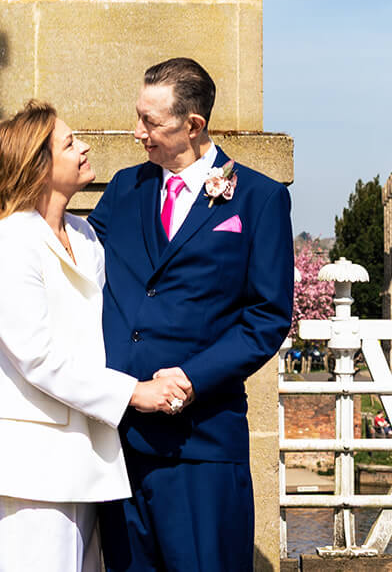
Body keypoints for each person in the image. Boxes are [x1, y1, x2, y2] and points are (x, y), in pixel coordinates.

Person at [0, 100, 192, 572]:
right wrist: (136, 393)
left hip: (82, 457)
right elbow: (39, 358)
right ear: (38, 166)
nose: (85, 147)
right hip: (26, 465)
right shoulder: (7, 243)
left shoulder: (86, 235)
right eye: (70, 143)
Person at [88, 57, 295, 570]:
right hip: (116, 441)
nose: (138, 132)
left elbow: (267, 317)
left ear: (193, 125)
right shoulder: (123, 188)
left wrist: (191, 377)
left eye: (151, 122)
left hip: (199, 443)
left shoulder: (260, 200)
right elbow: (75, 269)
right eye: (139, 116)